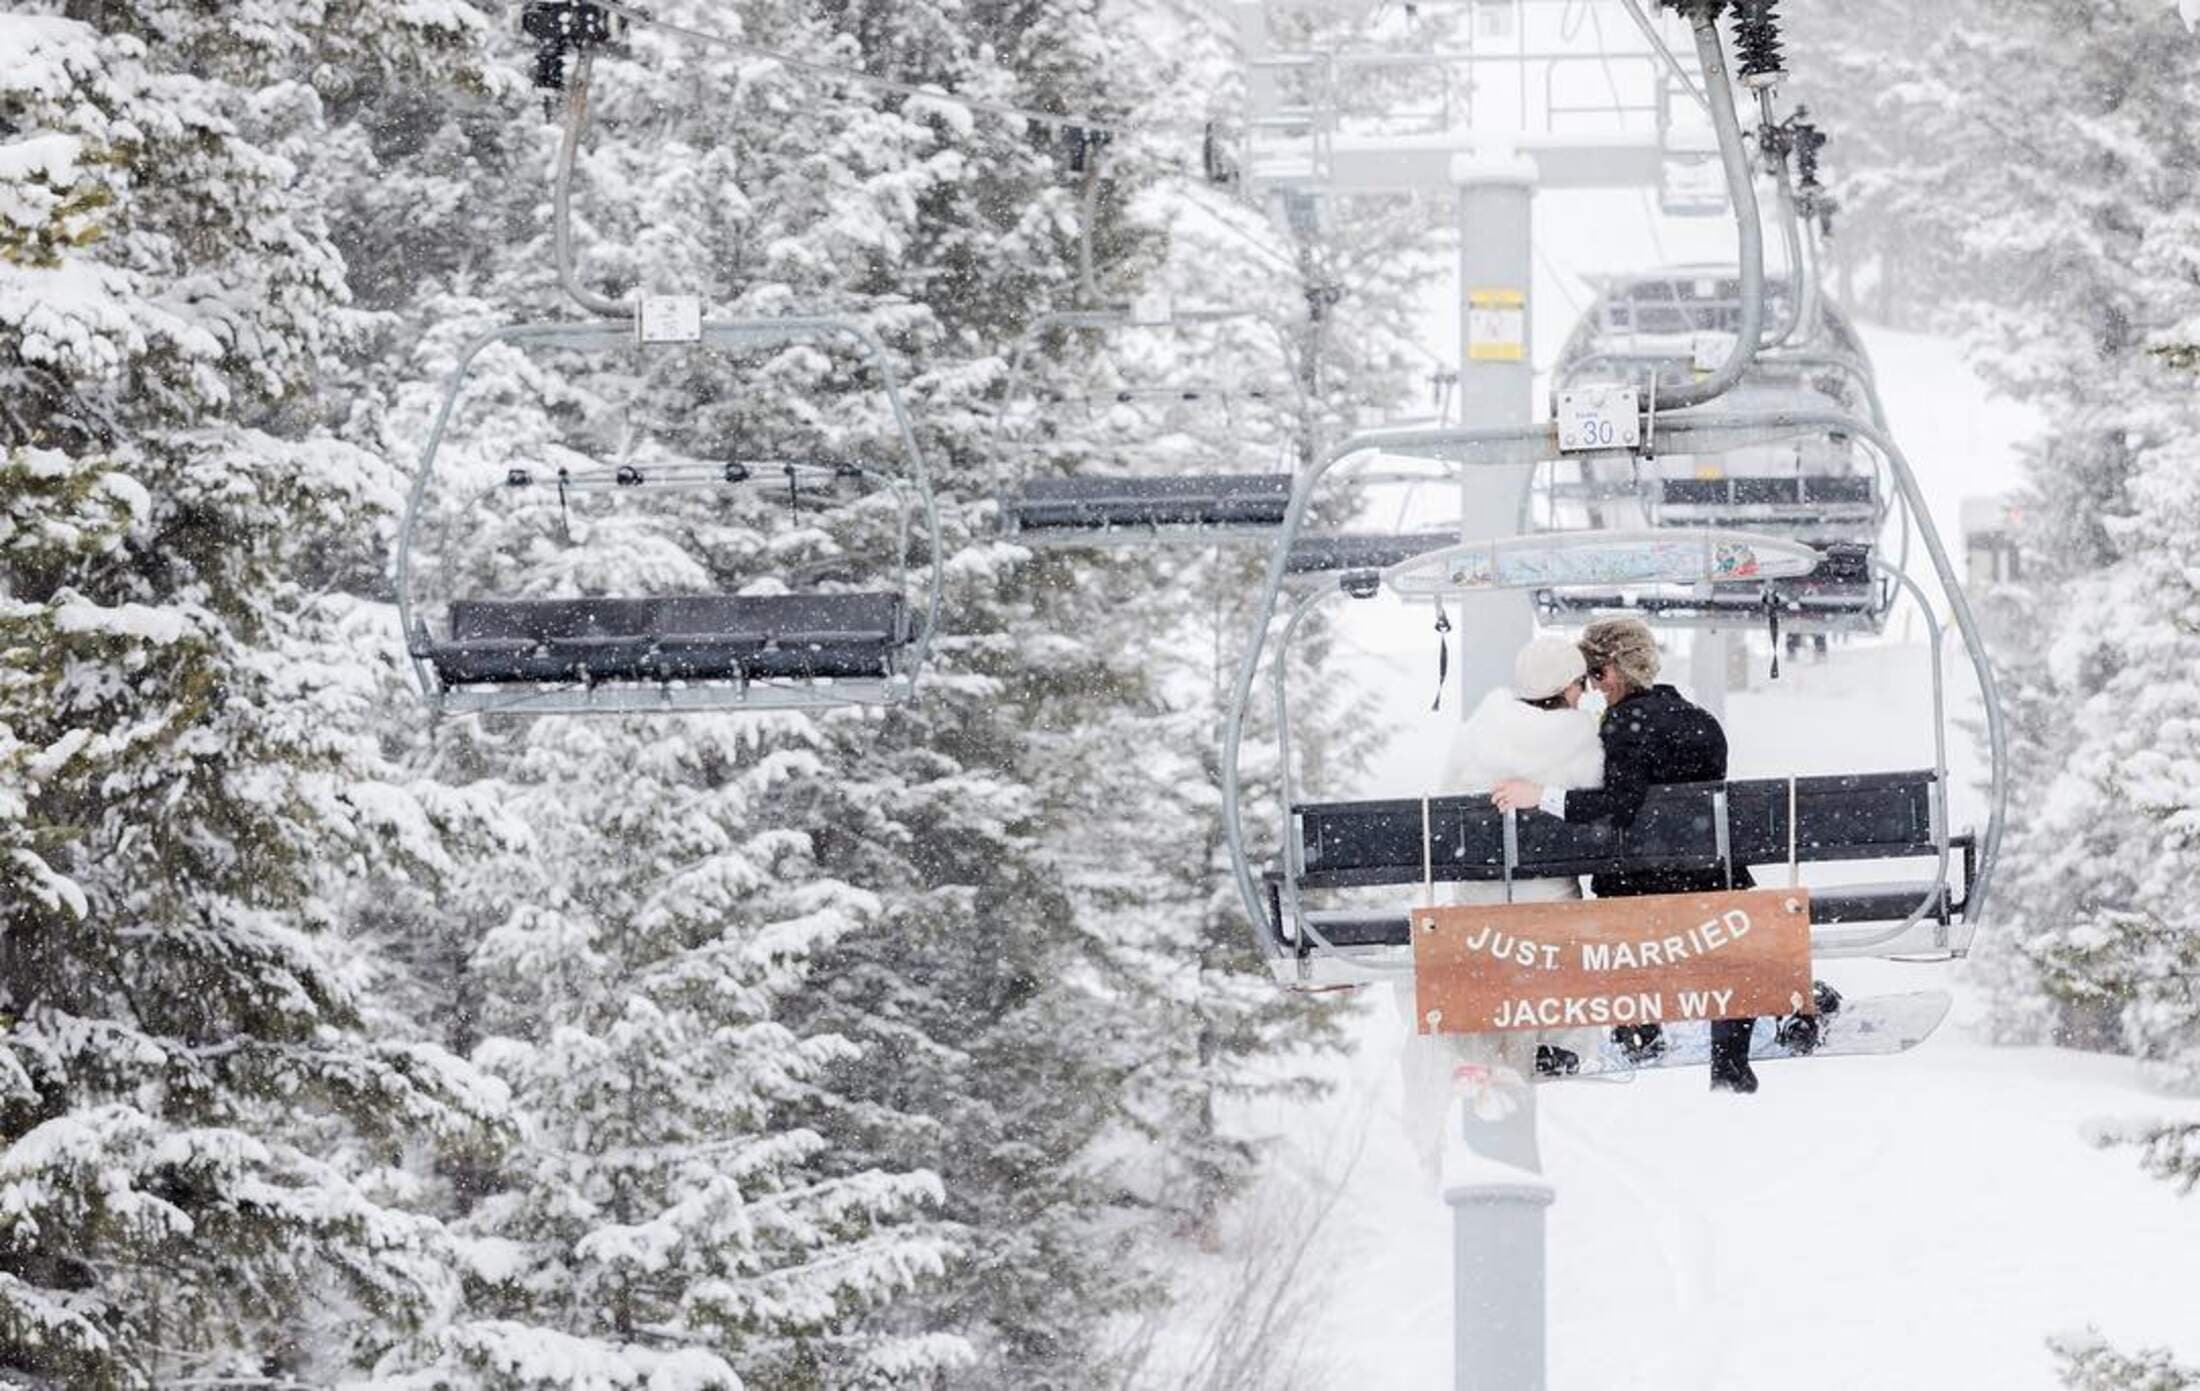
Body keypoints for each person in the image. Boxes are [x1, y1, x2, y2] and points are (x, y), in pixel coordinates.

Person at [1491, 618, 1765, 1093]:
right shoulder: (1701, 720)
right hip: (1715, 885)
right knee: (1733, 943)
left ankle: (1637, 1024)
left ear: (1614, 671)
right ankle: (1729, 1059)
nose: (1595, 688)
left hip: (1642, 892)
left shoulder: (1624, 724)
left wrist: (1541, 796)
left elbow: (1619, 807)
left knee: (1615, 906)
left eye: (1596, 675)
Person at [1398, 635, 1606, 1178]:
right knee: (1553, 953)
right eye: (1581, 683)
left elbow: (1447, 805)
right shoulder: (1582, 740)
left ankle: (1482, 1055)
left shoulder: (1481, 730)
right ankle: (1535, 1052)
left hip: (1480, 904)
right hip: (1550, 908)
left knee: (1485, 955)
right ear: (1566, 686)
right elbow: (1595, 821)